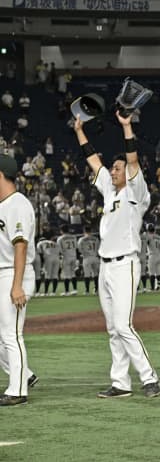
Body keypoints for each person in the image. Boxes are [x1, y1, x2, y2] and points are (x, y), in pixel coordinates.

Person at [73, 110, 160, 399]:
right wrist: (79, 132)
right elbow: (93, 159)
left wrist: (126, 126)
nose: (113, 171)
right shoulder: (110, 192)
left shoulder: (136, 193)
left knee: (123, 325)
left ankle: (149, 378)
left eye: (118, 168)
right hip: (106, 267)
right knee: (112, 328)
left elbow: (132, 158)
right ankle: (120, 383)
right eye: (113, 168)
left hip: (126, 264)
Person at [0, 155, 36, 406]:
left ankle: (18, 390)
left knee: (11, 334)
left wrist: (16, 284)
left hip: (14, 272)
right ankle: (25, 374)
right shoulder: (3, 204)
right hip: (4, 272)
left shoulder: (17, 204)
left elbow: (20, 246)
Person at [77, 226, 100, 295]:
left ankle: (87, 291)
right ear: (91, 231)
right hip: (95, 257)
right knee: (96, 274)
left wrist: (84, 254)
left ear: (84, 231)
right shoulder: (96, 239)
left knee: (87, 275)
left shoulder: (81, 239)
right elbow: (98, 248)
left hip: (87, 258)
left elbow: (79, 249)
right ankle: (96, 290)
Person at [56, 224, 78, 296]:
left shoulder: (60, 238)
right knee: (73, 274)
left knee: (66, 275)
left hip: (66, 257)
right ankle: (75, 290)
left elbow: (59, 250)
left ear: (61, 231)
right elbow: (76, 247)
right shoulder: (74, 237)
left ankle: (67, 291)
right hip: (74, 256)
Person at [144, 223, 160, 292]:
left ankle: (152, 288)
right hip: (159, 255)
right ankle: (158, 287)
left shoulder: (148, 236)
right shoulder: (158, 236)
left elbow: (146, 243)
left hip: (152, 256)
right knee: (158, 272)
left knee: (151, 273)